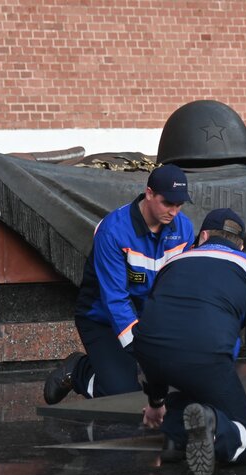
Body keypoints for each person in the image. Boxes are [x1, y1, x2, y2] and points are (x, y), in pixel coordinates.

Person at [132, 208, 246, 475]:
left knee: (186, 392)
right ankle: (214, 427)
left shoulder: (172, 263)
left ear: (202, 236)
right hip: (205, 357)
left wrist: (156, 402)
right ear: (241, 246)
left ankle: (174, 438)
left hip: (148, 352)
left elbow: (157, 326)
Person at [43, 164, 195, 404]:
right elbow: (115, 300)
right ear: (149, 193)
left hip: (149, 316)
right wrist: (142, 350)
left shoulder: (184, 229)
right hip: (102, 318)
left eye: (179, 205)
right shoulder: (113, 231)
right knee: (123, 395)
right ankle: (79, 370)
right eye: (167, 203)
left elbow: (177, 288)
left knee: (188, 381)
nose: (174, 212)